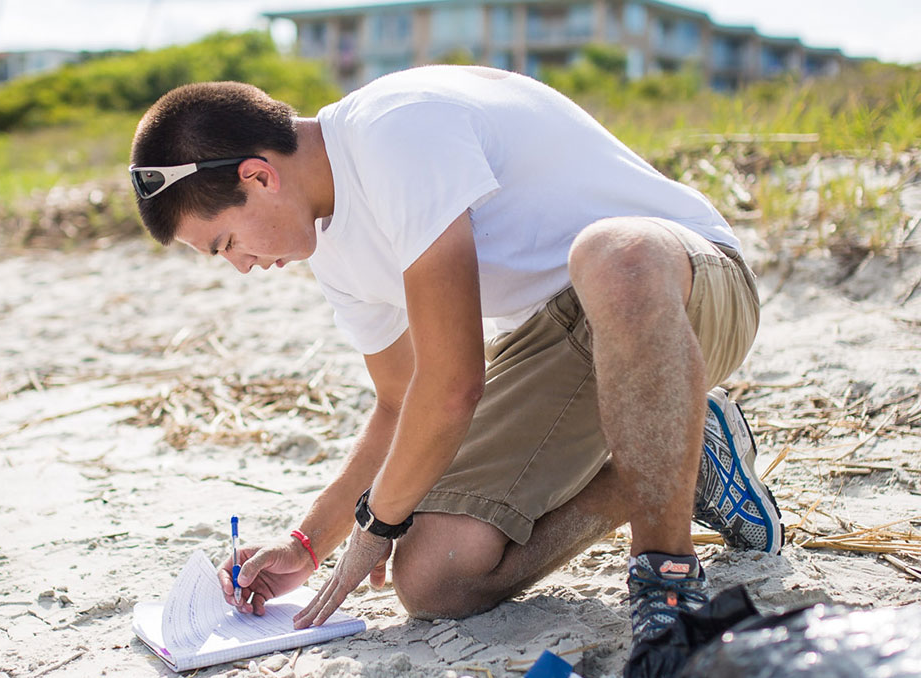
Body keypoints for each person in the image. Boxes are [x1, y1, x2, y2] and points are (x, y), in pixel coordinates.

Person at [127, 66, 782, 646]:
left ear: (258, 176)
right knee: (435, 574)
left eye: (224, 243)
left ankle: (665, 580)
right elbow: (398, 402)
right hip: (569, 336)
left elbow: (452, 386)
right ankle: (689, 460)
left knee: (613, 258)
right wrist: (308, 543)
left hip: (683, 285)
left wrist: (378, 521)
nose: (240, 266)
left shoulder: (393, 131)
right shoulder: (327, 243)